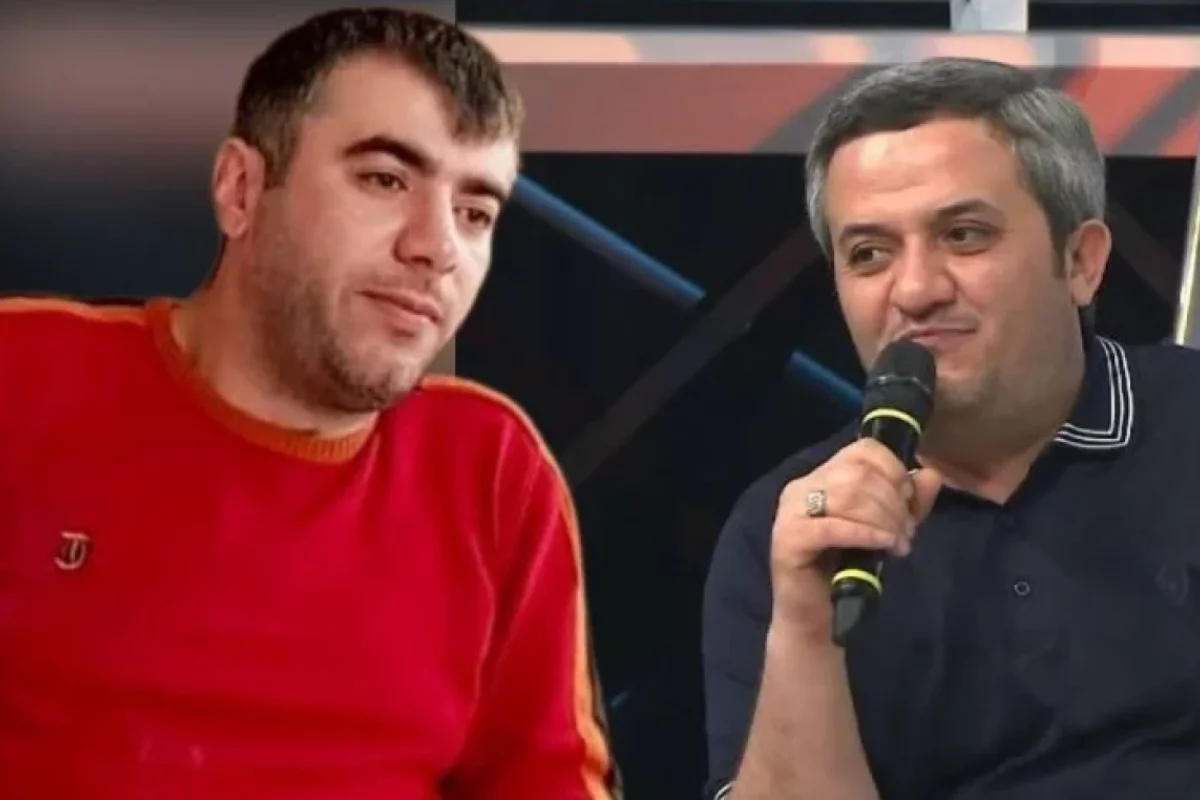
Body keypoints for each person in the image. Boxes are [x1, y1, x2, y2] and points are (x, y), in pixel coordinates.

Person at [0, 8, 619, 799]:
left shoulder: (491, 470)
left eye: (475, 213)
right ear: (240, 189)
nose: (437, 248)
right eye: (385, 179)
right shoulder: (24, 379)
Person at [702, 56, 1200, 800]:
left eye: (964, 235)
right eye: (869, 254)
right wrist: (805, 626)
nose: (916, 290)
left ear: (1081, 262)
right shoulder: (786, 531)